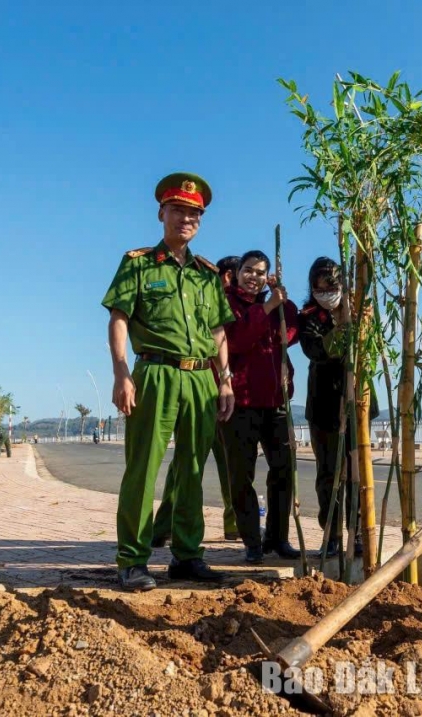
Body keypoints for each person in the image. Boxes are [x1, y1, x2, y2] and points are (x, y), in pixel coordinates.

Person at [101, 171, 235, 591]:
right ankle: (132, 560)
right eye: (178, 210)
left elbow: (218, 331)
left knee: (192, 468)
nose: (186, 219)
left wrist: (225, 380)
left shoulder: (207, 274)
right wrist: (122, 371)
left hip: (200, 379)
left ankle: (187, 555)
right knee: (143, 468)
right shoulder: (138, 263)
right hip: (154, 373)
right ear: (162, 212)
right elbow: (119, 316)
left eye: (194, 213)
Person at [152, 254, 242, 547]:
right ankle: (166, 527)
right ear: (228, 276)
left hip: (224, 394)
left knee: (211, 465)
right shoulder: (211, 303)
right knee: (188, 464)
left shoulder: (232, 302)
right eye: (243, 273)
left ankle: (231, 524)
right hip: (204, 393)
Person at [221, 249, 301, 564]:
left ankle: (277, 537)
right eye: (249, 271)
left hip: (274, 400)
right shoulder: (226, 302)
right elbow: (237, 339)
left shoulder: (274, 303)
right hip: (240, 401)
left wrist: (280, 299)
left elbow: (289, 333)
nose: (254, 277)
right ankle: (252, 541)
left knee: (283, 468)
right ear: (237, 273)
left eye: (260, 272)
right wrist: (267, 306)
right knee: (242, 474)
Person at [297, 257, 375, 559]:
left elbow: (371, 350)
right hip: (324, 404)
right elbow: (318, 351)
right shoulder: (309, 317)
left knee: (357, 474)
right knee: (328, 475)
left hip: (359, 402)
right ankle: (330, 535)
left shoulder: (360, 311)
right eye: (319, 288)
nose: (326, 292)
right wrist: (343, 325)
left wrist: (359, 321)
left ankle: (357, 534)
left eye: (331, 286)